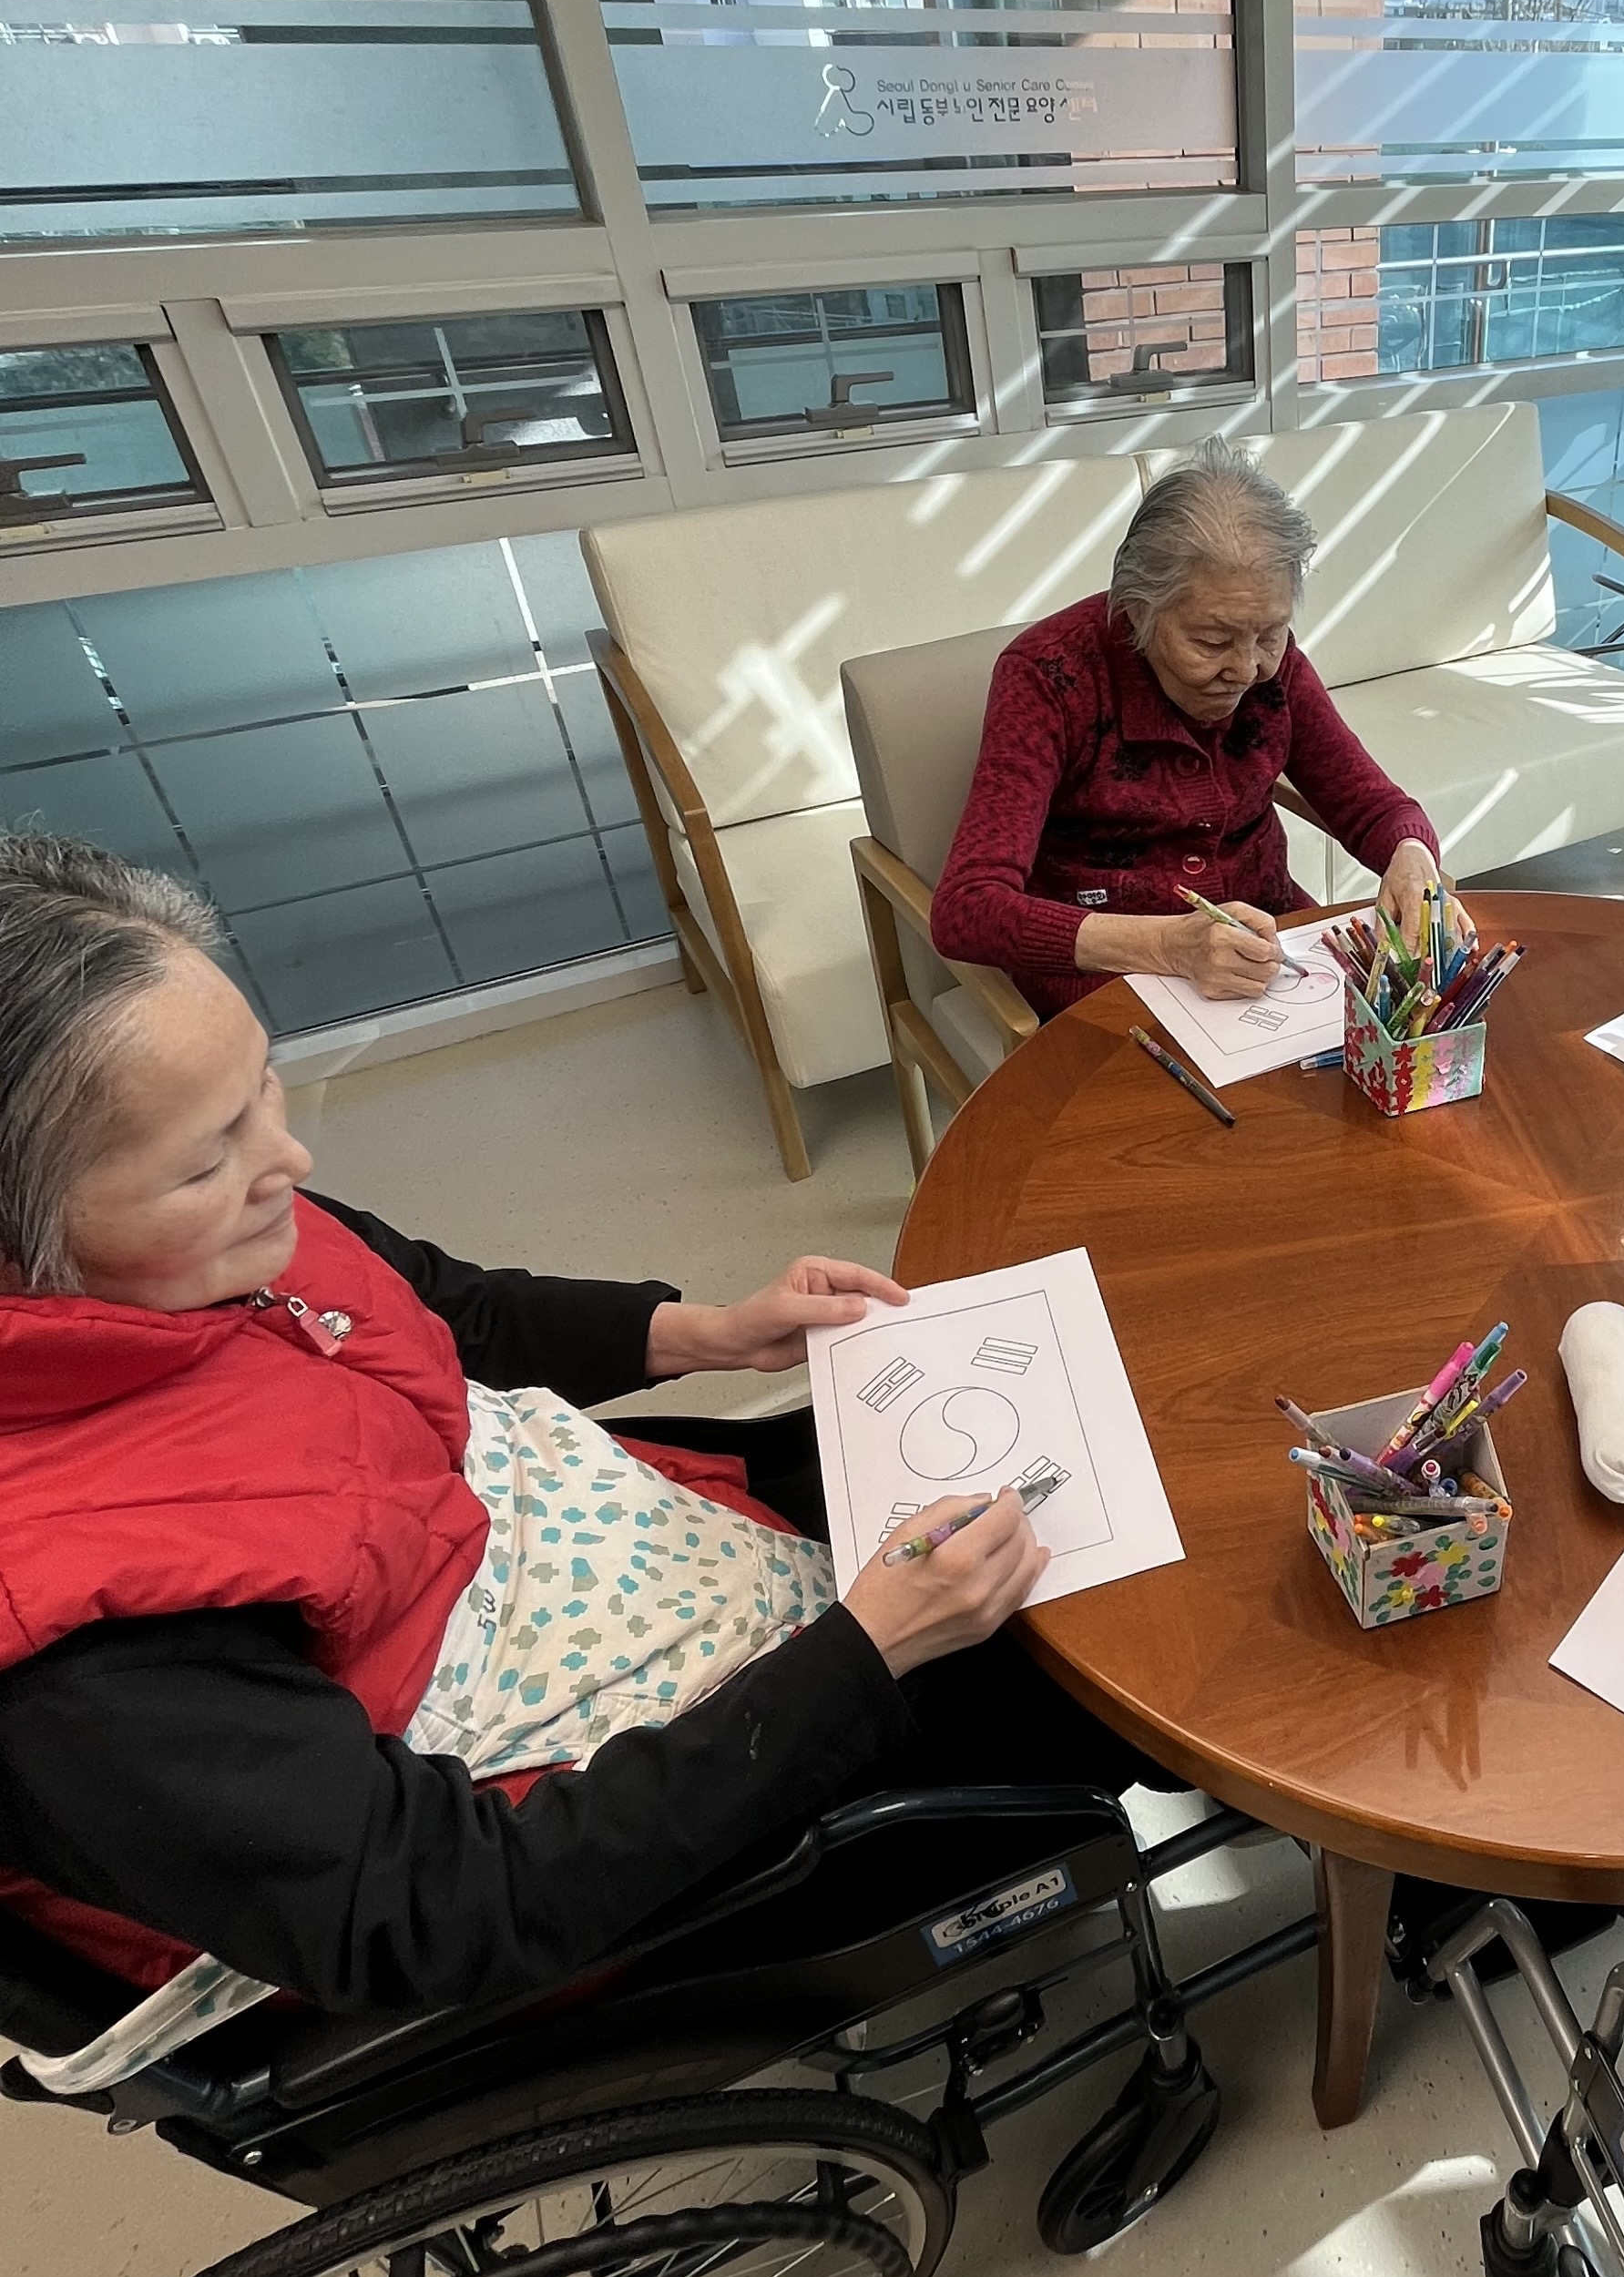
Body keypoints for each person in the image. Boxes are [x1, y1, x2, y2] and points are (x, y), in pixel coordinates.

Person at [0, 833, 1157, 2081]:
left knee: (1062, 1441)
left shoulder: (201, 1242)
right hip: (573, 1841)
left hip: (557, 1548)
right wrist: (869, 1653)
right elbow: (449, 1905)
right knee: (1117, 1649)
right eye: (206, 1158)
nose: (289, 1163)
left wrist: (704, 1332)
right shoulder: (71, 1663)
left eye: (263, 1087)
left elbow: (427, 1303)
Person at [930, 434, 1469, 1019]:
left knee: (1393, 1039)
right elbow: (968, 909)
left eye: (1270, 634)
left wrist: (1412, 855)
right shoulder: (1049, 677)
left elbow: (1373, 806)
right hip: (1111, 978)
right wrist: (1168, 946)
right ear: (1137, 608)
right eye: (1212, 642)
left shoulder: (1276, 666)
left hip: (1272, 947)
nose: (1248, 670)